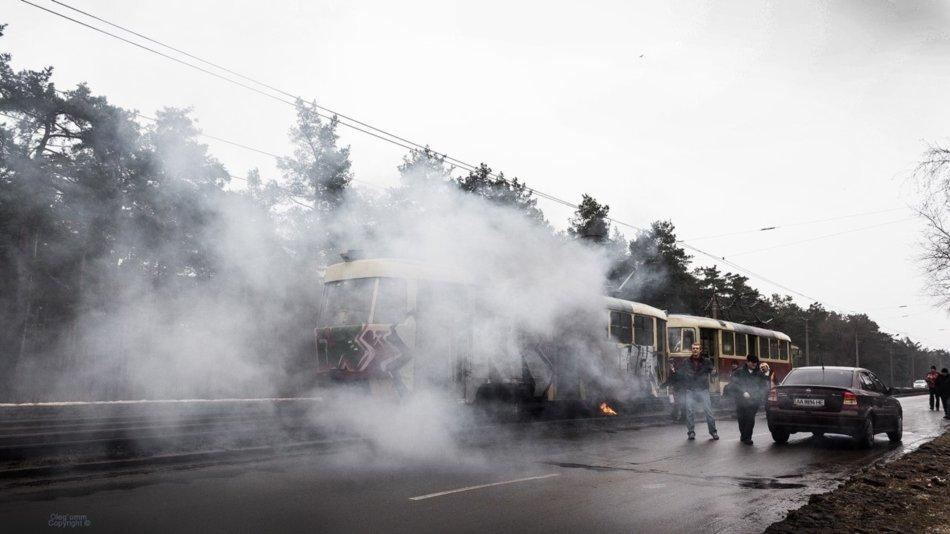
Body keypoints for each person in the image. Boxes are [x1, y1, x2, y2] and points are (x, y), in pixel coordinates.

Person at [679, 342, 719, 441]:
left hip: (703, 389)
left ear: (700, 350)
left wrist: (714, 372)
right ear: (691, 350)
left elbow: (713, 372)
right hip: (690, 389)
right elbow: (681, 375)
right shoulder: (686, 362)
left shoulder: (707, 361)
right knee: (689, 411)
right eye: (693, 348)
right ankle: (691, 432)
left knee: (708, 411)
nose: (695, 350)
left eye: (697, 348)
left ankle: (713, 432)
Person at [731, 354, 769, 444]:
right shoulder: (739, 372)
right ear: (747, 362)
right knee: (741, 419)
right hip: (740, 400)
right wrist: (743, 392)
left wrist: (759, 396)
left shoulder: (759, 374)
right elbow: (734, 384)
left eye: (756, 363)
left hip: (753, 401)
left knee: (750, 419)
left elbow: (763, 386)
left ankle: (748, 438)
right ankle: (743, 435)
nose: (754, 364)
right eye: (752, 362)